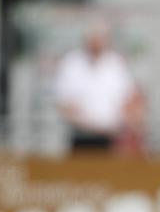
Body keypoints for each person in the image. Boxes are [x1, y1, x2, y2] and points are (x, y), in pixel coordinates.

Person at [53, 19, 145, 153]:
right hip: (80, 135)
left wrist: (133, 123)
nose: (97, 41)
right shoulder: (72, 63)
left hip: (110, 136)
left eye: (101, 37)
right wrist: (83, 121)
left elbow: (130, 98)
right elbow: (63, 101)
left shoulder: (116, 64)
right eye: (94, 37)